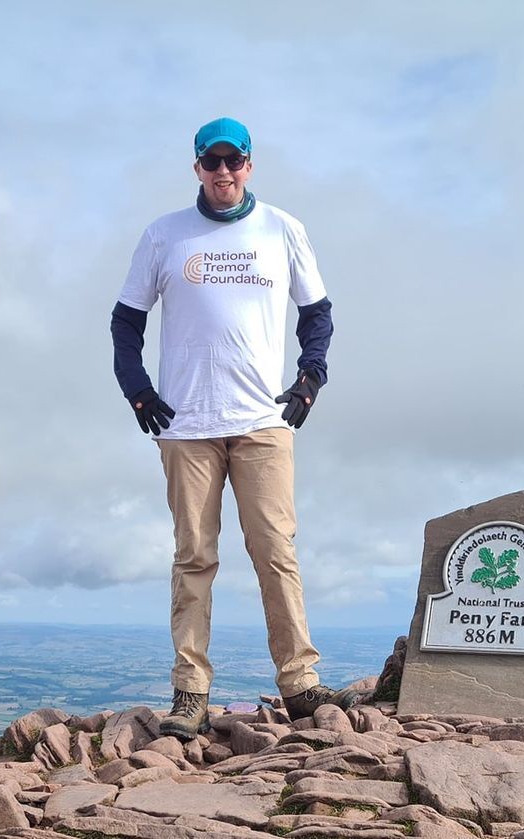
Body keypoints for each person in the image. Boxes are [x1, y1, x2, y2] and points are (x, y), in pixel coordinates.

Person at [110, 117, 357, 741]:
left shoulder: (283, 228)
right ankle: (190, 692)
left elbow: (317, 315)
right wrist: (138, 392)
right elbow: (125, 323)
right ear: (196, 166)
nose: (223, 172)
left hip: (261, 422)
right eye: (212, 162)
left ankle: (299, 683)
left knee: (276, 550)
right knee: (194, 556)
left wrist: (310, 380)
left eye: (234, 161)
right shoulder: (164, 236)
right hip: (186, 425)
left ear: (250, 164)